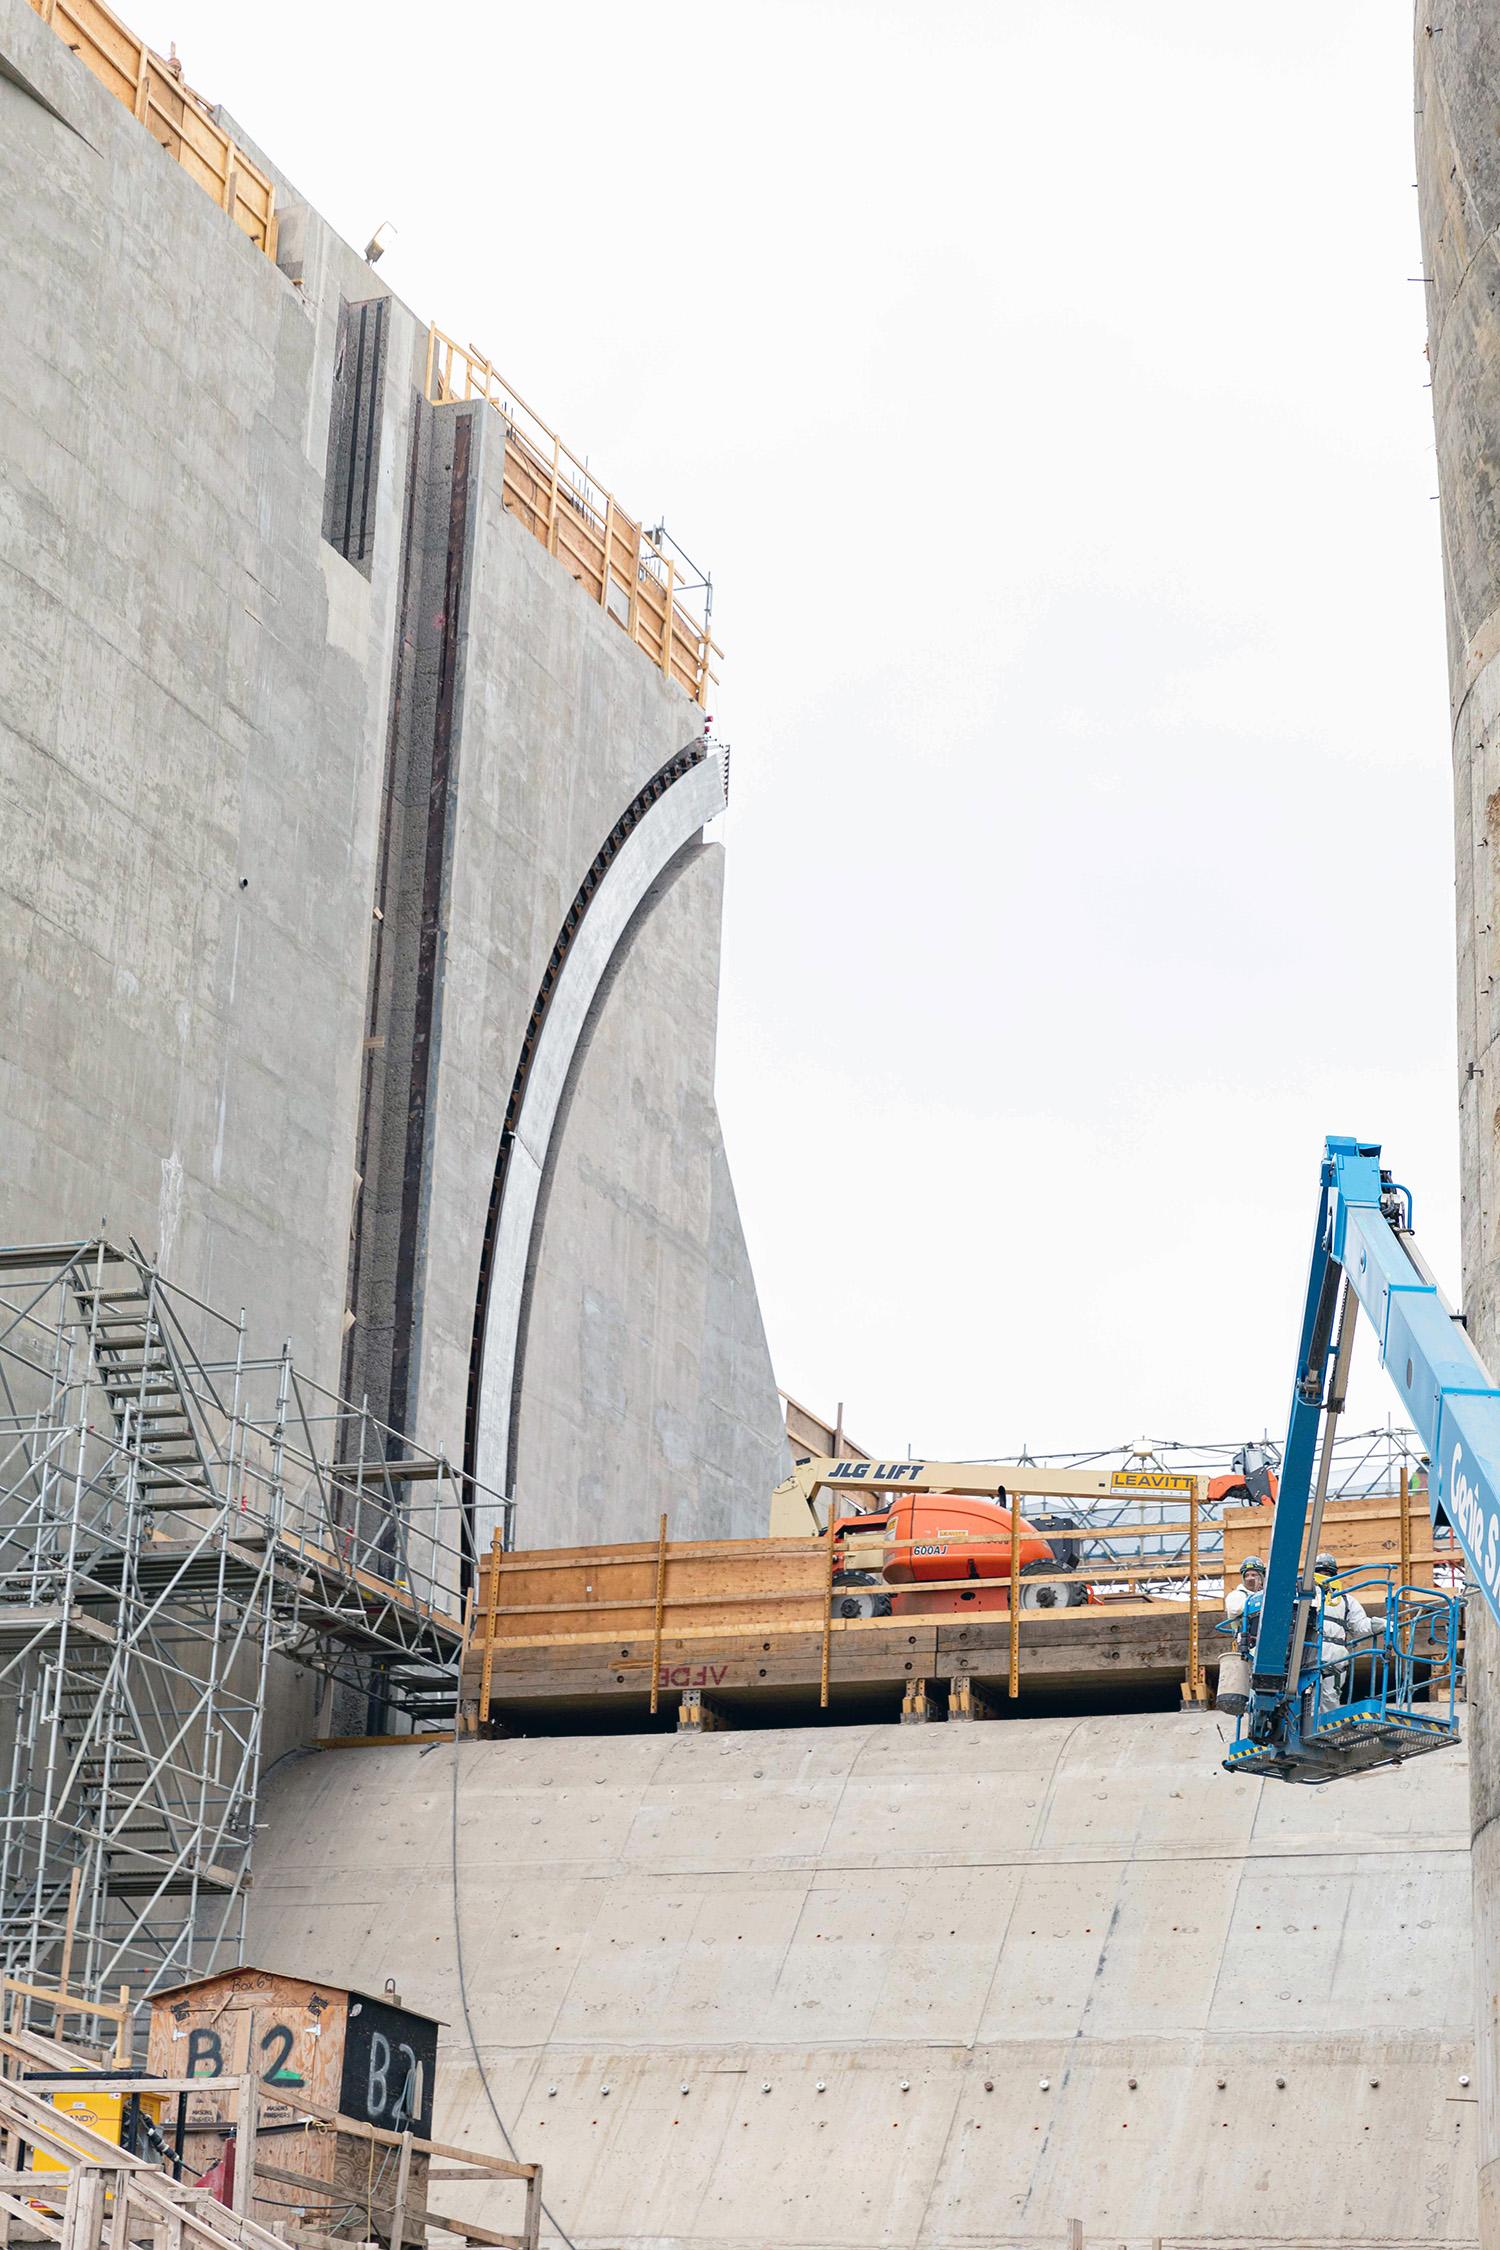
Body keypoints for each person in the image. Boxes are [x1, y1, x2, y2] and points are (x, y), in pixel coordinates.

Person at [1309, 1552, 1372, 1706]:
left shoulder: (1345, 1600)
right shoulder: (1305, 1596)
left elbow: (1359, 1624)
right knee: (1306, 1701)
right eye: (1321, 1573)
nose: (1325, 1577)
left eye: (1328, 1573)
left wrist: (1378, 1624)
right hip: (1309, 1654)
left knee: (1330, 1700)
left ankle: (1328, 1730)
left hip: (1336, 1658)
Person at [1216, 1554, 1265, 1715]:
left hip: (1269, 1644)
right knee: (1255, 1684)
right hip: (1250, 1647)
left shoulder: (1267, 1595)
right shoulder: (1237, 1595)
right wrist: (1261, 1597)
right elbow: (1237, 1609)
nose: (1251, 1578)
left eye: (1255, 1575)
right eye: (1248, 1575)